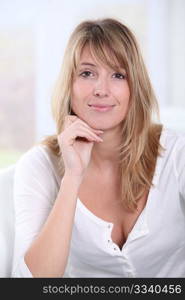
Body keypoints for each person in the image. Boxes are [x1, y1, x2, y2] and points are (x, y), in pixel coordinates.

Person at [12, 18, 185, 278]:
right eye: (87, 73)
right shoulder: (39, 165)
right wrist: (72, 176)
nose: (101, 90)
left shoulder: (176, 153)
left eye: (118, 75)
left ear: (134, 87)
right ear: (69, 85)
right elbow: (31, 285)